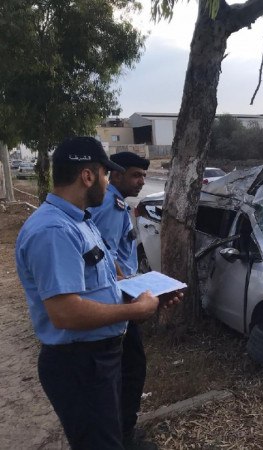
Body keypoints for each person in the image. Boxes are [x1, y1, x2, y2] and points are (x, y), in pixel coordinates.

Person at [14, 137, 174, 450]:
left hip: (96, 358)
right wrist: (134, 312)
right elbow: (66, 313)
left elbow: (99, 286)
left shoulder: (80, 220)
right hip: (80, 364)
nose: (106, 181)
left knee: (108, 437)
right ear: (87, 176)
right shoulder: (54, 231)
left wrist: (143, 296)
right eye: (104, 174)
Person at [89, 151, 154, 450]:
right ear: (115, 175)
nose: (141, 181)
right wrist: (128, 287)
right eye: (135, 175)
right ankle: (124, 435)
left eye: (143, 175)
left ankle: (122, 432)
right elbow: (104, 253)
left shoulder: (117, 204)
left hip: (122, 292)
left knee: (129, 366)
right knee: (130, 369)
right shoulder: (109, 206)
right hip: (117, 297)